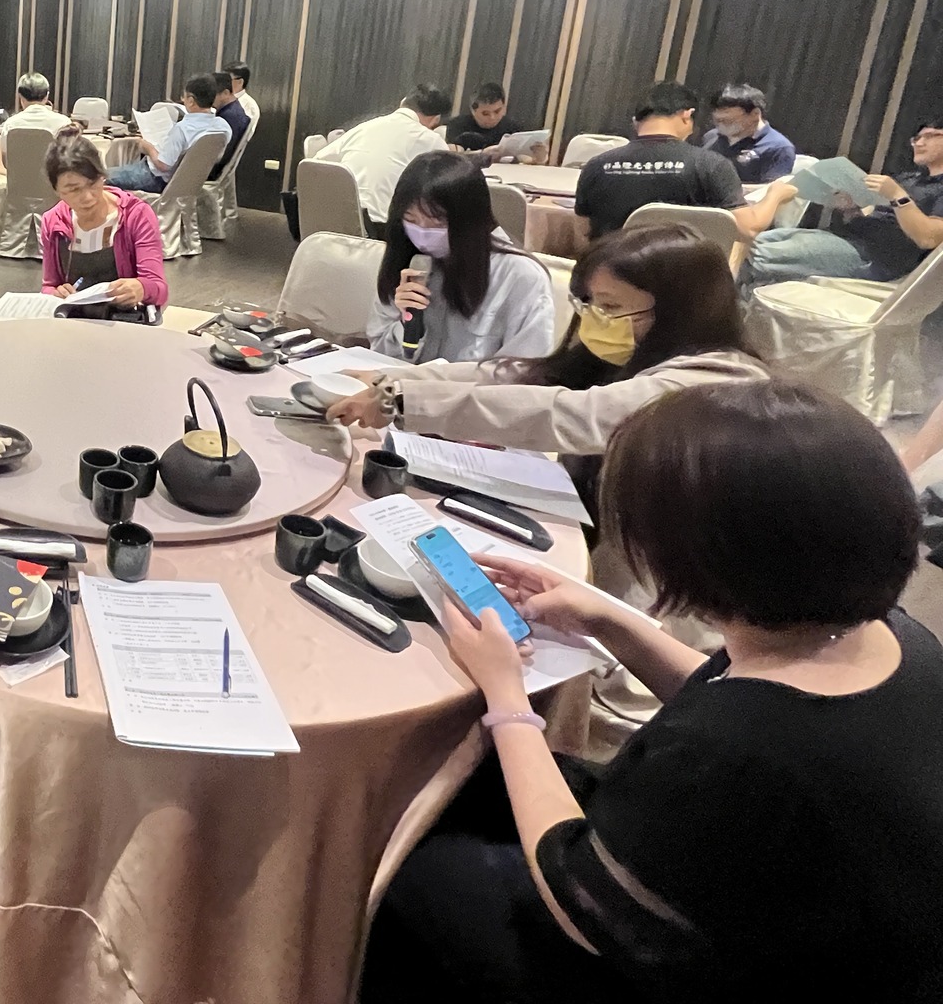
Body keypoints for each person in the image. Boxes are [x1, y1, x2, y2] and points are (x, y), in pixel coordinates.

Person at [361, 381, 943, 1004]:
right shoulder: (891, 635)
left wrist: (508, 701)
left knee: (414, 876)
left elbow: (580, 903)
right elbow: (731, 692)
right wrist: (609, 620)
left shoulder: (733, 754)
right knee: (475, 787)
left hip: (712, 965)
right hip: (782, 900)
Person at [329, 224, 766, 504]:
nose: (595, 318)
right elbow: (521, 374)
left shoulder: (714, 383)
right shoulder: (632, 348)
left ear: (677, 311)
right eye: (589, 303)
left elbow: (565, 412)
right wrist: (395, 378)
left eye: (611, 306)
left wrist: (402, 401)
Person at [369, 152, 556, 363]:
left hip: (471, 386)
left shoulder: (520, 277)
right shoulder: (406, 260)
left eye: (438, 222)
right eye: (410, 219)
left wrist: (434, 382)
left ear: (469, 221)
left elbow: (524, 371)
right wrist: (408, 324)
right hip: (400, 381)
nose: (422, 232)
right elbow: (376, 354)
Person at [738, 116, 943, 288]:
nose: (919, 143)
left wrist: (897, 195)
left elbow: (928, 238)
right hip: (845, 238)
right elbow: (878, 219)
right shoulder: (909, 179)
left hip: (875, 257)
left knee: (755, 257)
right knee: (742, 243)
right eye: (917, 138)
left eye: (931, 136)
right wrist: (851, 209)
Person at [573, 81, 787, 242]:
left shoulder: (596, 165)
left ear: (636, 121)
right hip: (681, 280)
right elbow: (748, 229)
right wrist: (776, 194)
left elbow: (582, 233)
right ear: (687, 115)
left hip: (609, 274)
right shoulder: (711, 165)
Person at [38, 130, 168, 311]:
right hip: (74, 320)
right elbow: (49, 286)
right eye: (74, 190)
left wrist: (141, 288)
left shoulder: (135, 215)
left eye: (93, 183)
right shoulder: (53, 221)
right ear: (56, 190)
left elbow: (159, 288)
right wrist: (55, 293)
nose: (87, 197)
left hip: (123, 320)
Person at [306, 84, 451, 234]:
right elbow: (448, 186)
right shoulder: (431, 140)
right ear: (435, 120)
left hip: (332, 225)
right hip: (382, 229)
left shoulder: (364, 127)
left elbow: (314, 163)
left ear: (402, 102)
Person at [106, 73, 230, 193]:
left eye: (184, 97)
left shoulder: (182, 129)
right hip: (192, 182)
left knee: (101, 177)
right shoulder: (223, 126)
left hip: (157, 179)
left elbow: (163, 165)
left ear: (191, 101)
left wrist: (148, 148)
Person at [701, 82, 796, 182]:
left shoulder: (777, 148)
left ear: (755, 114)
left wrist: (726, 188)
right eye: (717, 120)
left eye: (728, 121)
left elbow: (772, 188)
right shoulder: (711, 137)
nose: (721, 125)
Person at [447, 81, 524, 153]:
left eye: (497, 111)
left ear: (504, 106)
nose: (492, 117)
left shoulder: (513, 129)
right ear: (473, 111)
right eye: (486, 113)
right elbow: (453, 156)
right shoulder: (457, 126)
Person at [0, 71, 71, 136]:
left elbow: (4, 147)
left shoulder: (10, 124)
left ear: (20, 96)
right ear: (47, 96)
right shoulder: (64, 123)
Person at [210, 70, 250, 179]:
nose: (209, 99)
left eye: (212, 95)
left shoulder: (228, 117)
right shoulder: (234, 111)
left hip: (211, 173)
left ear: (226, 93)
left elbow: (219, 156)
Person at [223, 61, 259, 130]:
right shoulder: (223, 97)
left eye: (228, 80)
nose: (224, 83)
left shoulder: (249, 106)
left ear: (240, 82)